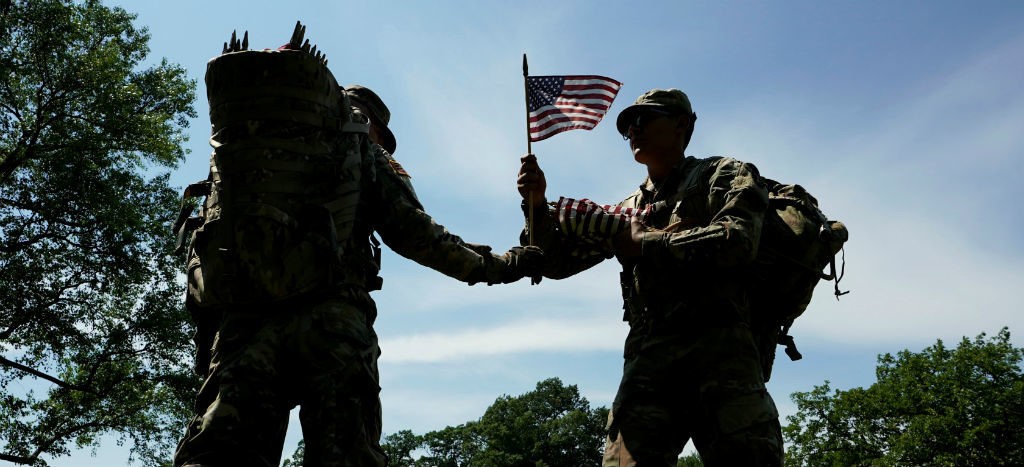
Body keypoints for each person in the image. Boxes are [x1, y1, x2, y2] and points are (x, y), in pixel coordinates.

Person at [173, 37, 542, 467]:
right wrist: (503, 265)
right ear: (373, 127)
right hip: (332, 327)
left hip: (245, 326)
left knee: (220, 457)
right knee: (346, 457)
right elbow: (416, 234)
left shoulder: (250, 151)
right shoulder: (361, 150)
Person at [517, 88, 783, 466]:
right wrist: (538, 207)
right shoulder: (627, 208)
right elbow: (555, 264)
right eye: (628, 126)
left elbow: (738, 239)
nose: (634, 130)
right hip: (649, 360)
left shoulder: (722, 174)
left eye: (644, 119)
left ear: (681, 125)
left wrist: (648, 245)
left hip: (721, 351)